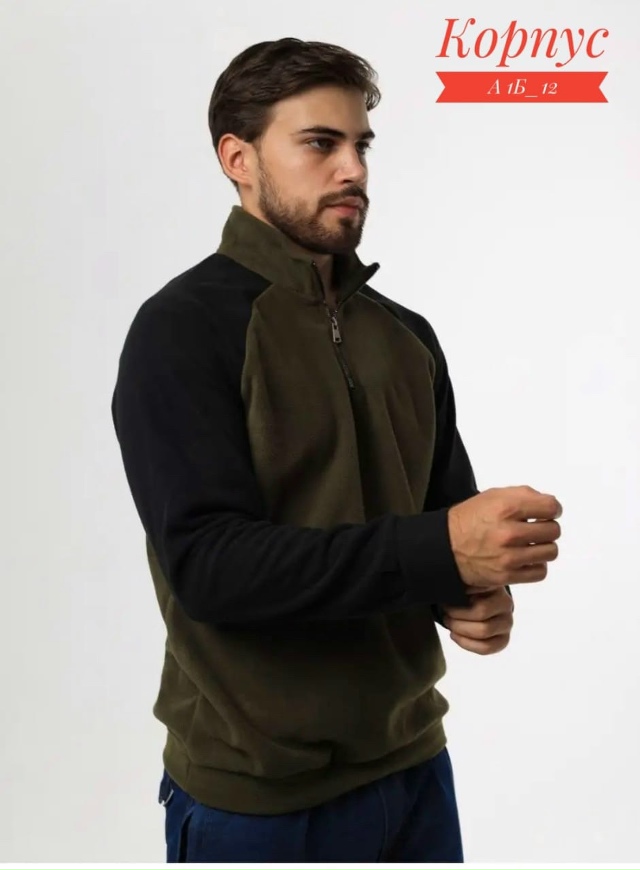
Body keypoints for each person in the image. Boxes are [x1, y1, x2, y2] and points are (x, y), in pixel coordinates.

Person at [111, 37, 562, 863]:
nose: (353, 169)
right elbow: (211, 569)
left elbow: (439, 520)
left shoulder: (406, 335)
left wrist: (469, 594)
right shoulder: (181, 330)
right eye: (320, 143)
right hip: (257, 803)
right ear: (238, 159)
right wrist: (441, 549)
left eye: (361, 144)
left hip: (416, 770)